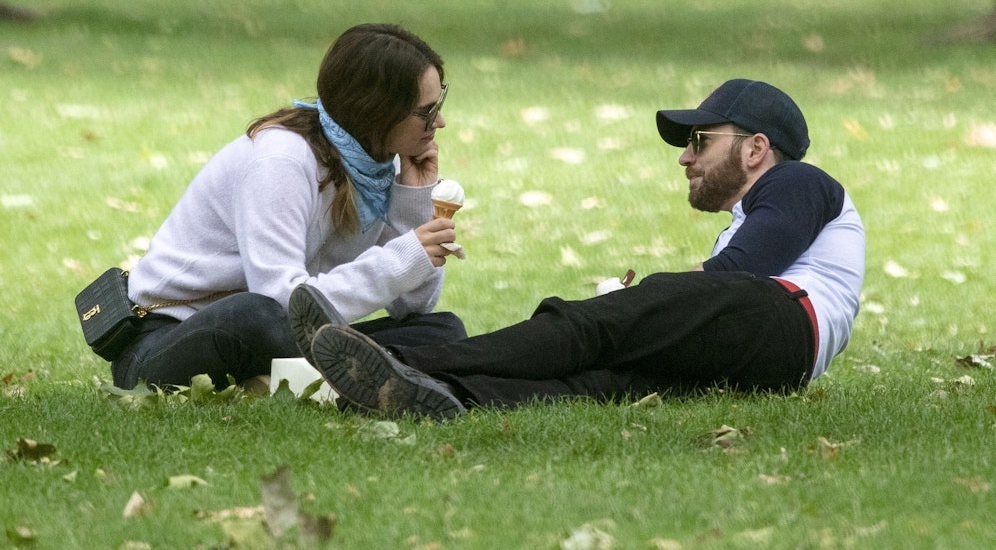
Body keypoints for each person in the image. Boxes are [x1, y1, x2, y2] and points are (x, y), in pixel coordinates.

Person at [289, 78, 866, 420]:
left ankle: (400, 365)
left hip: (782, 319)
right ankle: (434, 396)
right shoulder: (763, 210)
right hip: (779, 356)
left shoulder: (799, 182)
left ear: (756, 149)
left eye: (700, 141)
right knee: (603, 384)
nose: (685, 158)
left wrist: (634, 300)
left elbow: (739, 275)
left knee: (585, 327)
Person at [111, 23, 467, 391]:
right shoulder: (281, 160)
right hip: (168, 340)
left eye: (438, 104)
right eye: (425, 111)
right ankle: (344, 381)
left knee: (443, 330)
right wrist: (400, 258)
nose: (439, 122)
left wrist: (413, 201)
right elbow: (284, 306)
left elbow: (413, 305)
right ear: (376, 111)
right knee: (252, 314)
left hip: (288, 336)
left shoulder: (384, 165)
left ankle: (298, 383)